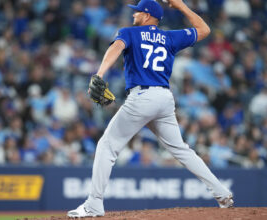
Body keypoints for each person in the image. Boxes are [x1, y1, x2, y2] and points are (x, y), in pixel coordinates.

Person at [67, 0, 234, 218]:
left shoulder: (129, 33)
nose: (134, 14)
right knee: (181, 150)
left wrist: (99, 74)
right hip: (164, 98)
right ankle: (222, 193)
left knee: (107, 146)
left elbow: (116, 47)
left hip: (142, 97)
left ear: (147, 15)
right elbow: (204, 30)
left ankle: (94, 204)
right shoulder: (169, 37)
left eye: (137, 11)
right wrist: (182, 6)